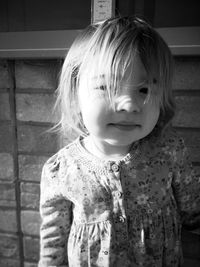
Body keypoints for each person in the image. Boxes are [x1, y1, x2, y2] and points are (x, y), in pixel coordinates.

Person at [39, 16, 200, 267]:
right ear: (75, 95)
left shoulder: (170, 152)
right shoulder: (60, 169)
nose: (129, 104)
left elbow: (193, 211)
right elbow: (53, 240)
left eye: (144, 90)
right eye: (108, 86)